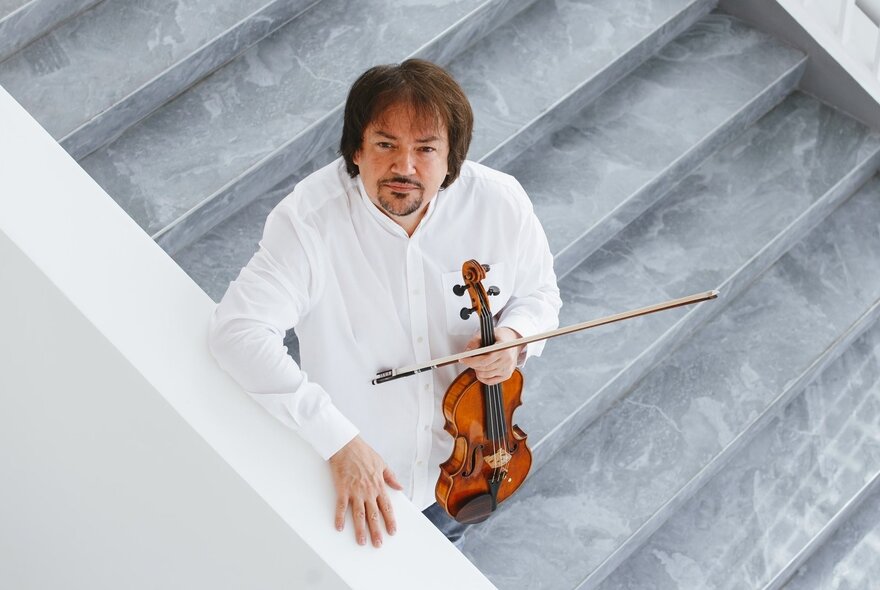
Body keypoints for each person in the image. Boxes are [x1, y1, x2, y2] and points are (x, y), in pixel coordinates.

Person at [208, 59, 561, 549]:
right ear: (356, 149)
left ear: (451, 159)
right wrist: (337, 440)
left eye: (425, 149)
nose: (405, 167)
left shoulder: (500, 203)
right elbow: (238, 333)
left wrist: (514, 337)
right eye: (385, 144)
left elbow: (540, 294)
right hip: (357, 484)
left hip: (463, 469)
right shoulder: (310, 221)